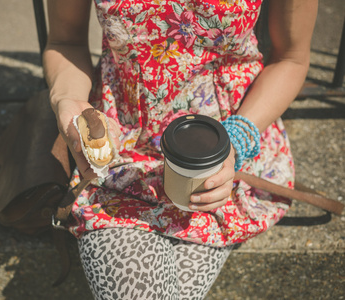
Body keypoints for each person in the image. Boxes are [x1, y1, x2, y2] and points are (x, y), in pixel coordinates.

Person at [43, 0, 318, 299]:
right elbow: (65, 41)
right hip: (122, 157)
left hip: (223, 158)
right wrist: (67, 101)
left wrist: (235, 140)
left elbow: (291, 58)